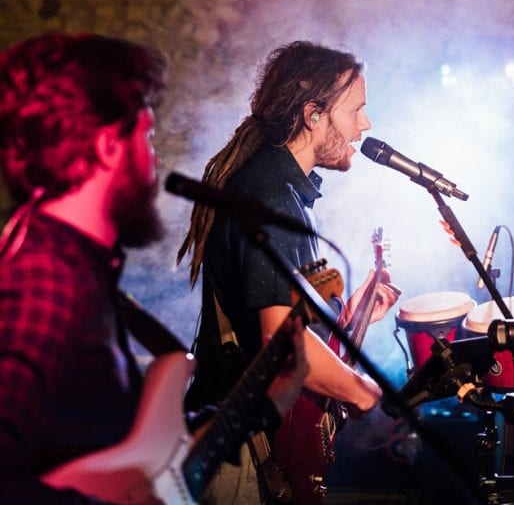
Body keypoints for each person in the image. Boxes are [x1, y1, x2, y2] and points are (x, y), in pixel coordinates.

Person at [0, 32, 308, 505]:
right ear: (106, 146)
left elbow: (137, 454)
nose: (154, 157)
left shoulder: (79, 271)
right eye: (144, 134)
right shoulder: (46, 281)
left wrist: (262, 405)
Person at [177, 40, 401, 504]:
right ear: (313, 114)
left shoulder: (283, 192)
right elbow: (282, 346)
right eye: (357, 109)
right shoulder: (274, 196)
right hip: (241, 452)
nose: (366, 123)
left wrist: (350, 314)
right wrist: (361, 390)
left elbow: (288, 324)